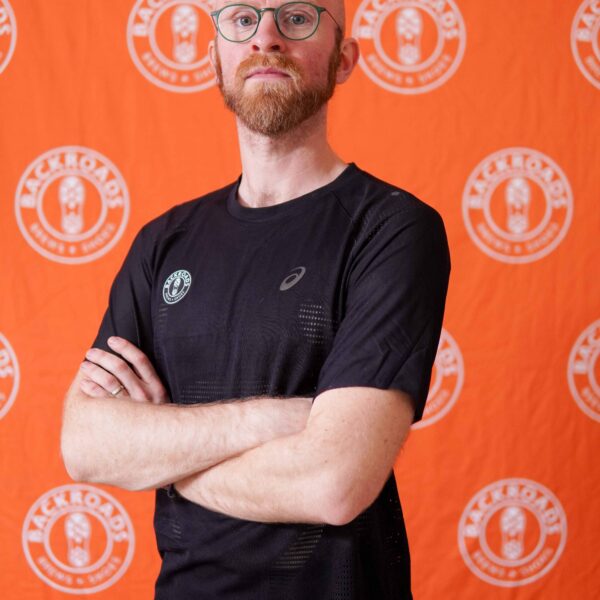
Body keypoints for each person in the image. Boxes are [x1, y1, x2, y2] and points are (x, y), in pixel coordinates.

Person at [60, 0, 451, 597]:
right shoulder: (163, 242)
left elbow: (332, 483)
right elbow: (86, 445)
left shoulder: (390, 229)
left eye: (297, 18)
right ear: (215, 59)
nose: (265, 37)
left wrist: (161, 454)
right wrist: (277, 419)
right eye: (242, 19)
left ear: (344, 60)